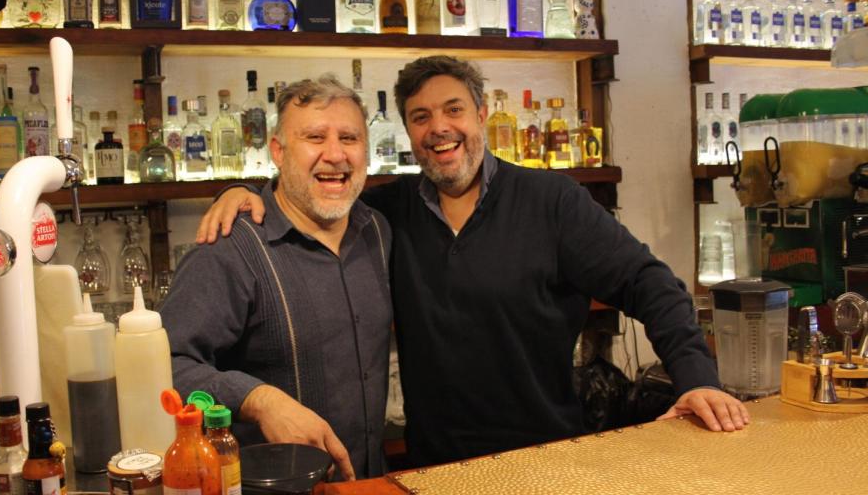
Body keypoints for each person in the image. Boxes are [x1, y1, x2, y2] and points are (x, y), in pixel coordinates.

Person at [197, 56, 749, 467]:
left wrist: (696, 378)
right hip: (434, 469)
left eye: (453, 109)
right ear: (408, 132)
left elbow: (648, 281)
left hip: (548, 459)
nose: (439, 128)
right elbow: (314, 184)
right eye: (420, 116)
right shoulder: (387, 215)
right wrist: (246, 191)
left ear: (482, 114)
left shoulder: (550, 202)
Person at [160, 76, 393, 480]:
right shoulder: (229, 247)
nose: (335, 154)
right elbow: (164, 364)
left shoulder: (378, 230)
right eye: (315, 137)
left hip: (368, 481)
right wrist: (258, 399)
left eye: (350, 138)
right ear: (278, 152)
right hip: (266, 487)